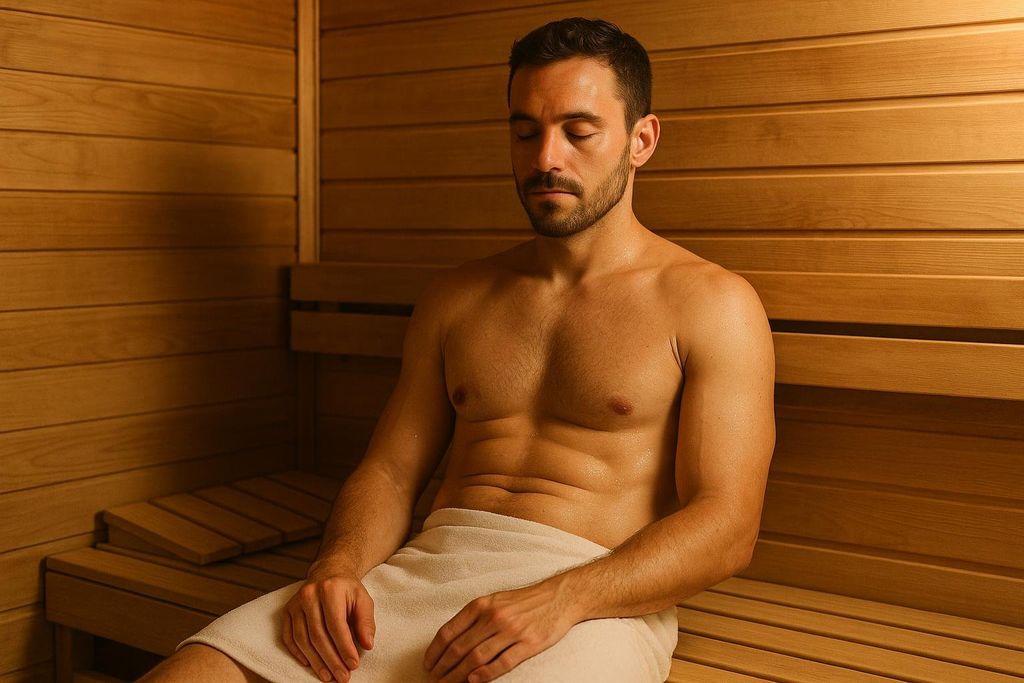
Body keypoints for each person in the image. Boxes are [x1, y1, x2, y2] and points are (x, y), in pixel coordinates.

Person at [138, 16, 776, 683]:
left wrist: (563, 597)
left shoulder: (711, 304)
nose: (546, 158)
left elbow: (726, 522)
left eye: (578, 132)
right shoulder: (458, 296)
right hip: (421, 571)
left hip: (595, 604)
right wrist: (337, 567)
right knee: (187, 674)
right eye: (525, 131)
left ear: (641, 139)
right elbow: (389, 471)